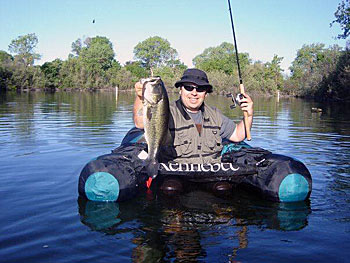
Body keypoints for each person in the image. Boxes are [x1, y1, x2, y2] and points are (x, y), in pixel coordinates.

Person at [133, 68, 253, 192]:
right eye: (189, 88)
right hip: (176, 174)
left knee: (223, 189)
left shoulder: (215, 115)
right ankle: (174, 212)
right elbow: (140, 122)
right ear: (181, 90)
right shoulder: (167, 111)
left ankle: (220, 211)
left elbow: (238, 135)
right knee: (170, 189)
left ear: (206, 93)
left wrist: (249, 114)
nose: (194, 93)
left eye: (200, 89)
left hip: (209, 173)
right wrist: (140, 96)